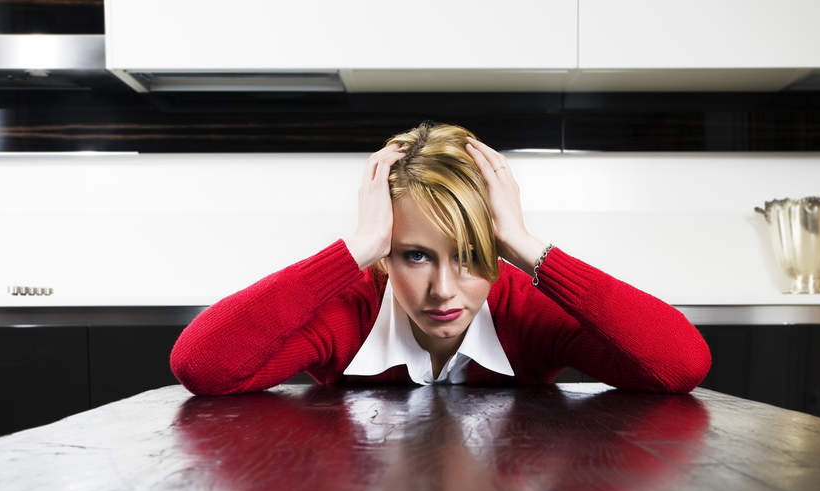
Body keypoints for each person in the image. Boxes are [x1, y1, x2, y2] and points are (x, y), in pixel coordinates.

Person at [169, 122, 711, 394]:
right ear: (384, 255)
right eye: (415, 255)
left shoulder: (524, 310)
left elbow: (682, 365)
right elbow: (200, 366)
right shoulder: (350, 312)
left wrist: (527, 246)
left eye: (471, 255)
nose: (444, 289)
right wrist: (355, 249)